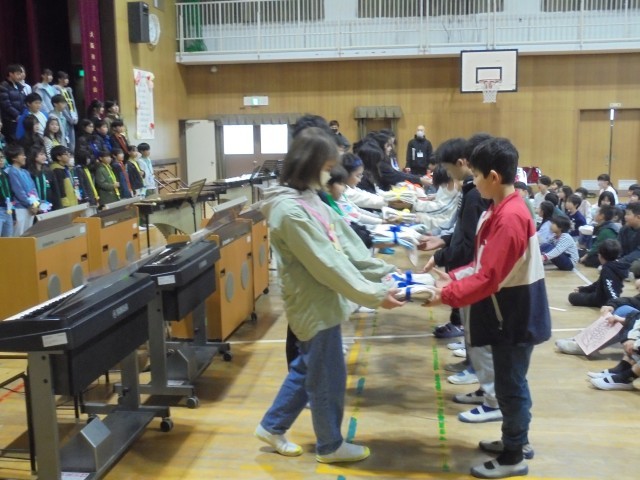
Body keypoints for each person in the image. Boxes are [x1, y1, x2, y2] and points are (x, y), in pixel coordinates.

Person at [254, 127, 403, 464]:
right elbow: (327, 263)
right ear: (310, 165)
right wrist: (373, 294)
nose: (332, 174)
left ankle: (272, 426)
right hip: (312, 302)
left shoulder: (310, 197)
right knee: (327, 376)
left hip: (323, 299)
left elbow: (345, 241)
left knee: (309, 367)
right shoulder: (289, 210)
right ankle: (330, 445)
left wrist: (382, 272)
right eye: (327, 167)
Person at [426, 137, 551, 479]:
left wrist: (447, 295)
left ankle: (514, 455)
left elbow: (489, 278)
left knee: (511, 386)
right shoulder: (499, 208)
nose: (473, 181)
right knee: (511, 383)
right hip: (507, 310)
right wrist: (452, 278)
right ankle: (516, 440)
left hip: (513, 313)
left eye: (477, 175)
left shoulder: (510, 217)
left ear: (493, 177)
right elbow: (483, 264)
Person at [422, 135, 490, 341]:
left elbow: (471, 242)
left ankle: (465, 334)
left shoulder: (475, 195)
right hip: (460, 258)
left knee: (471, 307)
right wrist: (444, 240)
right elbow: (464, 228)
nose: (449, 175)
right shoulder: (469, 190)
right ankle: (462, 331)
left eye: (449, 169)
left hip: (468, 263)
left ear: (462, 163)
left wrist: (441, 256)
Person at [569, 238, 627, 307]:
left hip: (602, 300)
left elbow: (610, 288)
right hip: (604, 296)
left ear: (600, 255)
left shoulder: (607, 269)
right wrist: (583, 289)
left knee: (572, 297)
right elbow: (599, 284)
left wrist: (613, 304)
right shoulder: (617, 266)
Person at [5, 144, 40, 235]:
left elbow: (33, 188)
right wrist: (30, 204)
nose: (25, 157)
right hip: (20, 208)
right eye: (22, 155)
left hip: (31, 208)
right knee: (19, 234)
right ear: (14, 158)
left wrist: (35, 203)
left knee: (27, 235)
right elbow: (18, 191)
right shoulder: (12, 172)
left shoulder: (25, 172)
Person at [0, 64, 27, 142]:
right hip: (10, 121)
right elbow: (6, 105)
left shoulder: (19, 86)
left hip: (20, 119)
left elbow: (23, 102)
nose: (20, 76)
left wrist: (24, 114)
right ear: (11, 74)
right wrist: (17, 116)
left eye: (20, 74)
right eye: (18, 74)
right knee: (13, 143)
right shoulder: (3, 86)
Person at [53, 71, 78, 151]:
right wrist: (69, 118)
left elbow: (73, 104)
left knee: (72, 140)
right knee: (64, 137)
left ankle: (71, 154)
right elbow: (61, 106)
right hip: (64, 118)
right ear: (59, 79)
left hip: (72, 118)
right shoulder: (56, 90)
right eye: (65, 78)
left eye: (67, 79)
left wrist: (76, 116)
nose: (67, 80)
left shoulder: (68, 90)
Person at [617, 202, 640, 269]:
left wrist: (621, 261)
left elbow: (638, 252)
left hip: (635, 260)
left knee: (635, 266)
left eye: (628, 214)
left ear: (638, 217)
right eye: (625, 214)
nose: (625, 217)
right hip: (625, 259)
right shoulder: (624, 229)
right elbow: (618, 247)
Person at [0, 150, 14, 237]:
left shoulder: (5, 174)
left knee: (8, 240)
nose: (1, 160)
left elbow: (10, 192)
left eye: (2, 157)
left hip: (8, 210)